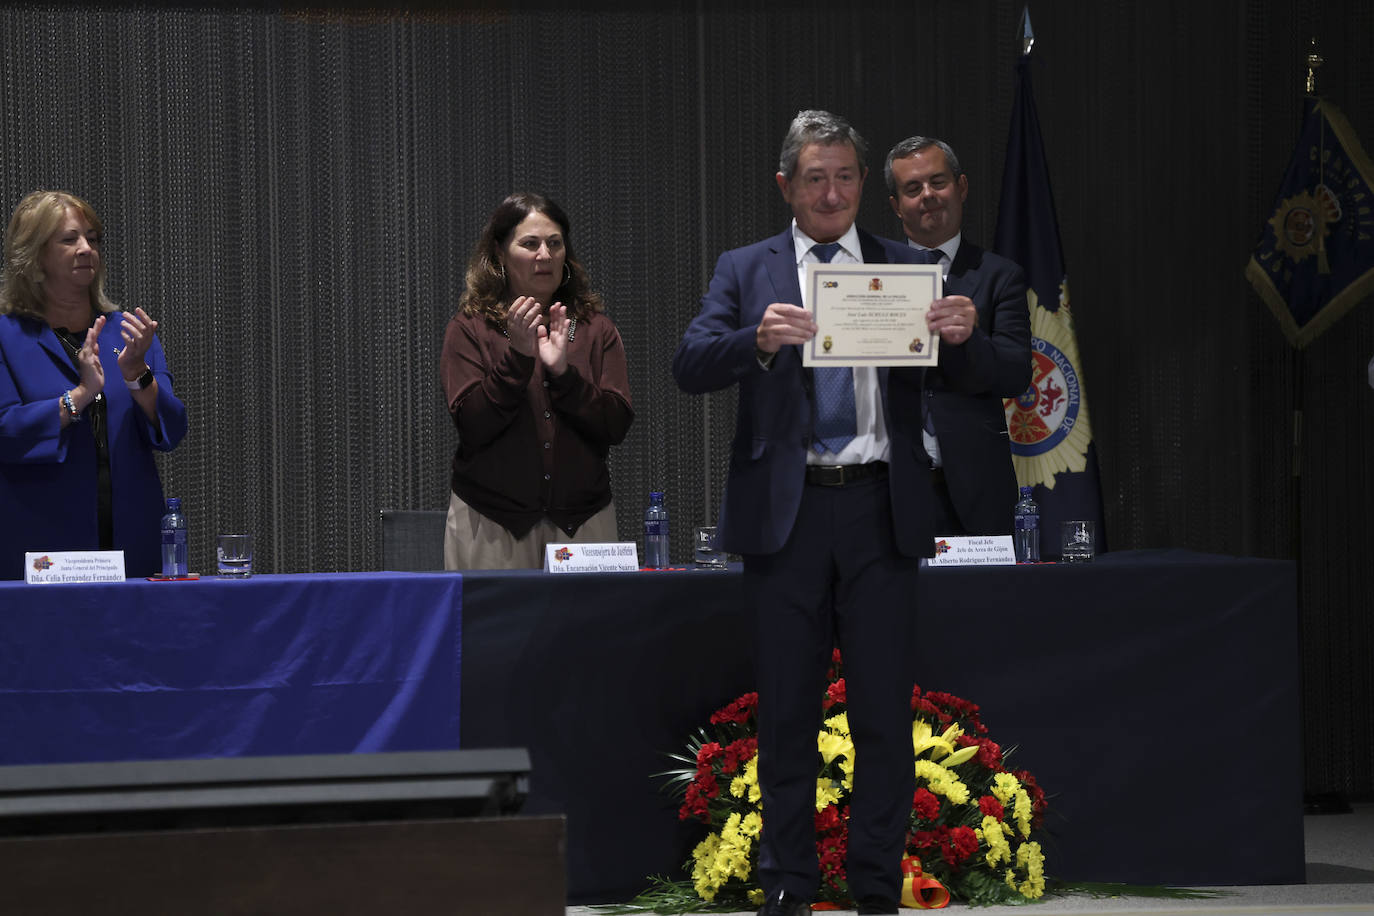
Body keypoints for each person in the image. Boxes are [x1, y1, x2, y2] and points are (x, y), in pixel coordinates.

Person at [674, 110, 951, 916]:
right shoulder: (745, 268)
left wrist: (957, 333)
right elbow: (690, 362)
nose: (831, 192)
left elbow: (964, 377)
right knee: (787, 713)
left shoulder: (906, 267)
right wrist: (756, 340)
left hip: (877, 508)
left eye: (845, 177)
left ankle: (874, 889)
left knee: (881, 718)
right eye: (815, 177)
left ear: (865, 186)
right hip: (785, 516)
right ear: (786, 186)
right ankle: (789, 886)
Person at [0, 190, 188, 579]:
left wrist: (137, 374)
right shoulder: (7, 337)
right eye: (69, 239)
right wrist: (79, 397)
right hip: (41, 546)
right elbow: (6, 431)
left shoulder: (128, 332)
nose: (86, 249)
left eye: (92, 238)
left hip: (130, 543)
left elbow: (170, 429)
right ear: (34, 257)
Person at [440, 192, 633, 569]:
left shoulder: (595, 330)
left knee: (595, 630)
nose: (544, 255)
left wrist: (564, 375)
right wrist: (518, 358)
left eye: (554, 243)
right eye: (529, 244)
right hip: (493, 523)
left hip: (583, 522)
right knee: (494, 630)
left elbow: (615, 426)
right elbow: (473, 426)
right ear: (499, 253)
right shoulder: (470, 329)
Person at [884, 136, 1031, 533]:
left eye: (938, 182)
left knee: (985, 598)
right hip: (889, 488)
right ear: (897, 206)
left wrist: (972, 338)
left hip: (977, 488)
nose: (927, 195)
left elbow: (1017, 375)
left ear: (961, 187)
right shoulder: (873, 278)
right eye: (912, 189)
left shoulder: (1001, 275)